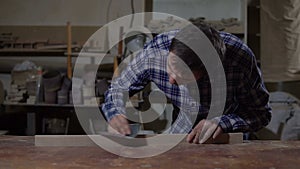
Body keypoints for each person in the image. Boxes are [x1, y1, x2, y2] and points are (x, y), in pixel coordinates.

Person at [102, 22, 272, 144]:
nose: (172, 79)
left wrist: (223, 122)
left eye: (184, 76)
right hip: (182, 133)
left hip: (228, 137)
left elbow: (261, 114)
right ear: (170, 51)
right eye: (171, 67)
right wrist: (115, 112)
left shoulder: (239, 59)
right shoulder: (154, 53)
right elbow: (117, 89)